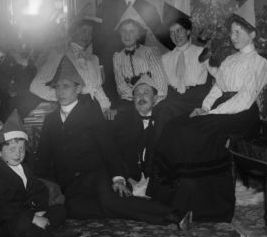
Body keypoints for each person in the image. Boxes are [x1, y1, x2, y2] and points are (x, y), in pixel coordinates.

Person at [150, 0, 267, 223]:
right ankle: (171, 197)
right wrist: (204, 107)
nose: (232, 37)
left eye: (238, 33)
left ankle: (206, 207)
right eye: (232, 32)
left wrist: (212, 113)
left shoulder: (259, 63)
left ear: (252, 35)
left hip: (242, 115)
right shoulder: (230, 59)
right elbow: (218, 87)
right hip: (222, 109)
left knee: (194, 134)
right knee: (177, 125)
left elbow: (244, 99)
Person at [35, 56, 189, 227]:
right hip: (70, 183)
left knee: (110, 202)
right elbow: (43, 157)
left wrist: (118, 178)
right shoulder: (50, 120)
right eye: (57, 87)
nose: (60, 92)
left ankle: (174, 215)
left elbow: (108, 147)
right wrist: (39, 188)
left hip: (96, 175)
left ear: (78, 89)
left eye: (66, 86)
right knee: (74, 211)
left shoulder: (90, 113)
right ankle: (143, 212)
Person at [0, 110, 78, 237]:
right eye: (12, 149)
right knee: (22, 224)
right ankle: (47, 235)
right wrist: (33, 219)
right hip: (3, 224)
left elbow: (39, 189)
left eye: (21, 149)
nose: (18, 154)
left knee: (60, 210)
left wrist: (40, 211)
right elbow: (6, 210)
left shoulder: (23, 168)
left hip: (26, 214)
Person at [94, 0, 163, 102]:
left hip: (141, 65)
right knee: (115, 100)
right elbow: (101, 37)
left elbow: (157, 38)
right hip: (113, 62)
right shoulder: (110, 7)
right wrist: (101, 64)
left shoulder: (148, 8)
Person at [29, 4, 112, 118]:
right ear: (73, 32)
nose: (86, 36)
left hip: (94, 110)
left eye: (90, 33)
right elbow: (36, 86)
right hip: (71, 111)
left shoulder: (93, 59)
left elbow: (97, 88)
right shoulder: (60, 53)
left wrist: (106, 108)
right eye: (83, 31)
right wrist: (65, 95)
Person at [157, 4, 212, 128]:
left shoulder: (201, 52)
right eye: (172, 33)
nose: (176, 36)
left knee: (165, 112)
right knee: (159, 110)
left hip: (196, 98)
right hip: (174, 97)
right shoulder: (165, 59)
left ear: (188, 31)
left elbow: (213, 78)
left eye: (179, 31)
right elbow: (164, 85)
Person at [110, 75, 161, 195]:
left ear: (155, 98)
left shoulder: (163, 120)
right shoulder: (120, 121)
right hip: (128, 179)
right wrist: (126, 178)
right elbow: (113, 153)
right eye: (137, 93)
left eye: (146, 92)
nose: (141, 97)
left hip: (155, 179)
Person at [112, 11, 167, 110]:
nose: (127, 35)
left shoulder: (151, 51)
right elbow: (121, 87)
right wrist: (137, 100)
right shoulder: (117, 57)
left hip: (155, 102)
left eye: (132, 31)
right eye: (124, 31)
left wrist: (151, 101)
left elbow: (161, 83)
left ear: (138, 35)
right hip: (130, 103)